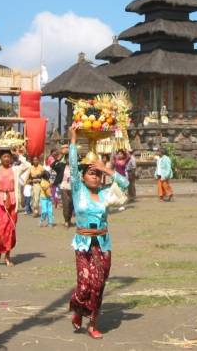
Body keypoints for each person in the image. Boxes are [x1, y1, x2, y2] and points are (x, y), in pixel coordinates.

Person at [67, 125, 129, 339]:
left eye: (96, 174)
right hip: (83, 243)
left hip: (103, 244)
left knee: (99, 286)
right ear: (83, 177)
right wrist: (73, 138)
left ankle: (93, 323)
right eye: (91, 173)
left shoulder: (105, 193)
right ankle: (77, 309)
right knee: (85, 285)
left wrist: (105, 169)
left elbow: (125, 184)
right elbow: (73, 165)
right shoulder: (78, 189)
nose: (95, 177)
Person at [0, 145, 31, 267]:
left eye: (9, 156)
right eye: (4, 156)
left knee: (10, 229)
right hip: (0, 201)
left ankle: (8, 256)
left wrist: (18, 154)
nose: (7, 159)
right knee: (1, 228)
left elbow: (27, 166)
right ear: (0, 158)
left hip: (13, 201)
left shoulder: (15, 169)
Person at [52, 144, 73, 227]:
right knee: (66, 204)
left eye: (70, 158)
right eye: (67, 158)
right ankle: (66, 221)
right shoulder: (61, 166)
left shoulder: (75, 167)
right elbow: (53, 166)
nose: (69, 160)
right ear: (66, 159)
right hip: (64, 187)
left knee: (71, 204)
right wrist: (60, 156)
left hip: (72, 188)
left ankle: (69, 219)